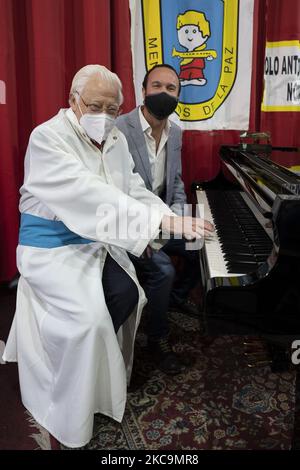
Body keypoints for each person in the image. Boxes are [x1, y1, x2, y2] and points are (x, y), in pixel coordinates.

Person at [2, 64, 213, 448]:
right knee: (90, 320)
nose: (103, 116)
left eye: (112, 109)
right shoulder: (48, 137)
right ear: (72, 101)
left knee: (129, 295)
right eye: (95, 106)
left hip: (96, 240)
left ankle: (96, 380)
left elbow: (131, 187)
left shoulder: (114, 138)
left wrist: (170, 217)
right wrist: (162, 221)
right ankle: (64, 396)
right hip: (51, 247)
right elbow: (88, 193)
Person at [116, 64, 203, 321]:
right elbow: (118, 193)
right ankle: (156, 333)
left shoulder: (175, 132)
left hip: (165, 217)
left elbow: (176, 183)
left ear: (177, 96)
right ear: (143, 91)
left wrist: (177, 222)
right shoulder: (119, 129)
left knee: (201, 243)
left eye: (170, 88)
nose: (163, 93)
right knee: (164, 270)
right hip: (131, 223)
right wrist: (150, 229)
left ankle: (173, 300)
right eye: (157, 86)